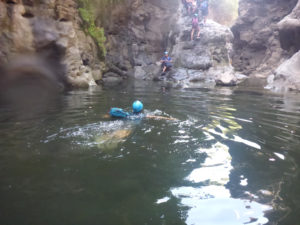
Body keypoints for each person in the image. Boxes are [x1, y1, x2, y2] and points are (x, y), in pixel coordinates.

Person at [109, 100, 176, 121]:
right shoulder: (143, 115)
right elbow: (156, 117)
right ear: (141, 108)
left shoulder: (128, 113)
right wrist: (170, 119)